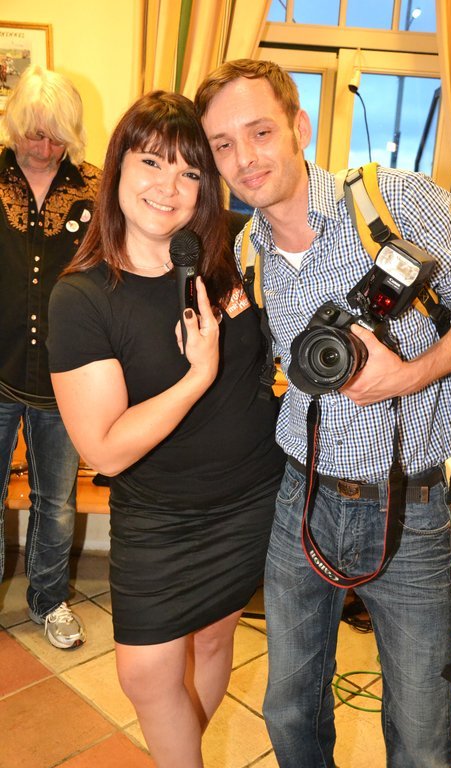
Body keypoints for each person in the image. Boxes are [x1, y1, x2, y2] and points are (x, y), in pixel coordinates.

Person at [195, 58, 451, 768]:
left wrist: (409, 376)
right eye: (223, 144)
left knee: (422, 729)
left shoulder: (392, 201)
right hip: (300, 498)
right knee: (288, 707)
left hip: (411, 506)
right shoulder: (246, 250)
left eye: (260, 132)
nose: (245, 158)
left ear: (299, 127)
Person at [46, 90, 284, 768]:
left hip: (250, 499)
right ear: (118, 166)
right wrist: (196, 375)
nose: (169, 186)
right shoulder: (83, 297)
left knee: (213, 640)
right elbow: (105, 450)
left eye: (189, 172)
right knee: (147, 673)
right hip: (157, 515)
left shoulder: (231, 253)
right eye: (151, 162)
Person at [0, 65, 101, 649]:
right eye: (35, 134)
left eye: (57, 137)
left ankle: (49, 599)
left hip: (66, 374)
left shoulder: (96, 187)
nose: (44, 149)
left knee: (56, 501)